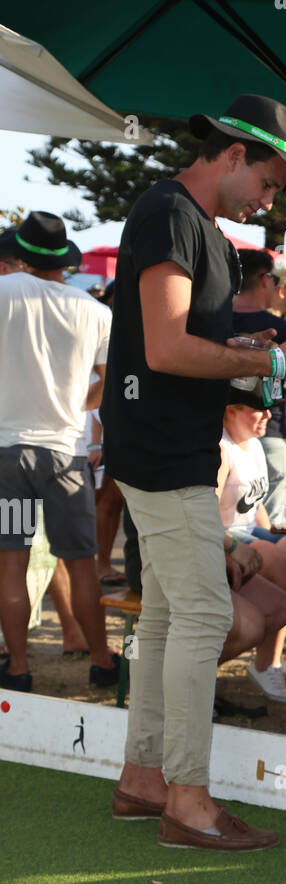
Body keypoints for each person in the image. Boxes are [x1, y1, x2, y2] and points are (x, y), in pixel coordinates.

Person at [101, 93, 286, 851]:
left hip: (171, 448)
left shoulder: (195, 226)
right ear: (234, 152)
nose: (273, 199)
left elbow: (184, 350)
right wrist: (271, 357)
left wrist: (266, 351)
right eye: (270, 180)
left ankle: (145, 782)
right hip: (162, 452)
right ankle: (188, 803)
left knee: (172, 620)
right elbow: (167, 349)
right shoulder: (170, 214)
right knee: (200, 618)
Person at [0, 211, 119, 693]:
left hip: (9, 454)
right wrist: (77, 404)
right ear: (63, 259)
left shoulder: (4, 292)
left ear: (22, 255)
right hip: (67, 454)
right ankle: (100, 660)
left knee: (11, 559)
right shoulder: (95, 310)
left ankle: (19, 667)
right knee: (81, 562)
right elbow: (106, 389)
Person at [217, 384, 286, 701]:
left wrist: (279, 537)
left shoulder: (254, 444)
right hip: (228, 537)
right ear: (231, 410)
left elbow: (255, 502)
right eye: (258, 409)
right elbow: (210, 514)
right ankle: (266, 664)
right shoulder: (222, 449)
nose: (268, 415)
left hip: (251, 529)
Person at [232, 247, 286, 528]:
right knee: (271, 526)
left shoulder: (211, 324)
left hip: (221, 434)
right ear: (265, 280)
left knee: (229, 520)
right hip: (270, 429)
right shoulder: (281, 329)